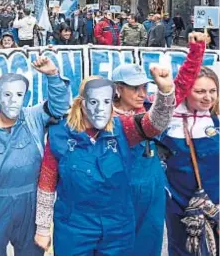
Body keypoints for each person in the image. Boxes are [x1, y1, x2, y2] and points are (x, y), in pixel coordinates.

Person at [34, 68, 176, 255]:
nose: (100, 108)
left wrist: (166, 91)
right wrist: (43, 228)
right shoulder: (60, 133)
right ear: (82, 103)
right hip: (74, 227)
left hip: (117, 228)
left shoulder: (123, 128)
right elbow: (47, 180)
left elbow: (154, 125)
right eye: (93, 102)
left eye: (106, 102)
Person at [0, 58, 70, 256]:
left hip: (29, 204)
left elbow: (60, 107)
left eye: (19, 94)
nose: (13, 100)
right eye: (7, 94)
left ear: (25, 97)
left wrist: (52, 75)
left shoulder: (34, 117)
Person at [112, 32, 206, 256]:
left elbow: (180, 87)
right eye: (134, 88)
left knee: (149, 244)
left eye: (144, 86)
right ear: (117, 88)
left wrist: (196, 50)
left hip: (153, 189)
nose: (141, 92)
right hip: (117, 191)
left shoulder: (152, 106)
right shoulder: (103, 117)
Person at [159, 61, 219, 254]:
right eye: (200, 91)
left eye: (213, 91)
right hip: (181, 207)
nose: (208, 97)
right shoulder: (168, 123)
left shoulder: (216, 120)